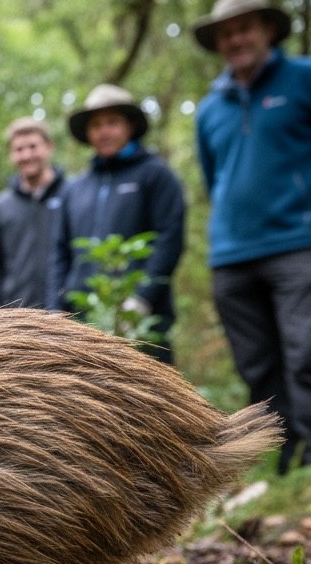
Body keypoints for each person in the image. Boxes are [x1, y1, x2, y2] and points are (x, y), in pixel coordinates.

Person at [193, 0, 311, 488]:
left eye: (244, 28)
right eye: (225, 34)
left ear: (268, 29)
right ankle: (286, 463)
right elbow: (216, 178)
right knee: (258, 364)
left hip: (299, 246)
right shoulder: (210, 109)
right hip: (231, 255)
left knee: (308, 349)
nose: (235, 40)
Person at [51, 84, 186, 363]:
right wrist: (56, 310)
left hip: (141, 320)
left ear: (130, 126)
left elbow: (169, 237)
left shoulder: (155, 175)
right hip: (82, 321)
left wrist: (143, 298)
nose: (104, 131)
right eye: (96, 124)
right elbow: (59, 252)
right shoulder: (75, 189)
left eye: (112, 122)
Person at [0, 118, 68, 309]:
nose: (26, 155)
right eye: (19, 149)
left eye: (33, 147)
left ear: (48, 147)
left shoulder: (71, 194)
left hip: (68, 314)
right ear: (11, 155)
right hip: (17, 316)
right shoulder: (0, 207)